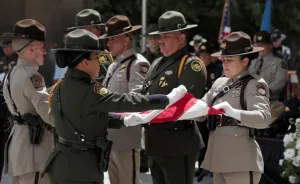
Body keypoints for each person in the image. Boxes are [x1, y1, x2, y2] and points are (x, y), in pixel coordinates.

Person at [42, 29, 185, 184]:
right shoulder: (89, 91)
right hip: (83, 168)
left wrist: (121, 121)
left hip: (62, 163)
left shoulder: (58, 87)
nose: (100, 62)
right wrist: (166, 99)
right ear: (85, 62)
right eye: (97, 57)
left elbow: (84, 117)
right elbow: (124, 101)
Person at [141, 11, 207, 184]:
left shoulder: (190, 64)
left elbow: (186, 103)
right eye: (159, 36)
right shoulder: (156, 63)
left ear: (182, 37)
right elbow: (143, 95)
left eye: (166, 36)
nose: (160, 40)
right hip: (155, 143)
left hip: (178, 144)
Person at [199, 31, 272, 184]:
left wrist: (235, 113)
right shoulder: (220, 83)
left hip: (241, 161)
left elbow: (264, 118)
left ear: (245, 61)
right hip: (219, 159)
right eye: (223, 59)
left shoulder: (254, 84)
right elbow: (200, 108)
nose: (224, 63)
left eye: (229, 60)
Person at [1, 19, 56, 184]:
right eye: (42, 47)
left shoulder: (11, 75)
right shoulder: (32, 76)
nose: (45, 52)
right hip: (35, 152)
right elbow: (50, 116)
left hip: (19, 149)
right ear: (31, 49)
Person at [99, 15, 151, 184]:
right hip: (111, 136)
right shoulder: (113, 66)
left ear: (126, 40)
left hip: (127, 137)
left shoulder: (137, 64)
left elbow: (137, 99)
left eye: (112, 39)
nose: (108, 44)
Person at [195, 41, 223, 181]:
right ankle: (201, 166)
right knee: (201, 140)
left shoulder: (217, 70)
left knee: (213, 139)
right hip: (199, 109)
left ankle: (213, 167)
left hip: (212, 109)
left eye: (206, 55)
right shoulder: (196, 70)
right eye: (201, 55)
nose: (203, 57)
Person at [249, 31, 288, 121]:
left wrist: (262, 91)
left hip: (269, 102)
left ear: (270, 45)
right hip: (249, 101)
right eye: (257, 44)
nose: (259, 47)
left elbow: (279, 82)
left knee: (278, 108)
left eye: (263, 44)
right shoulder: (252, 62)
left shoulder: (279, 63)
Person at [67, 9, 113, 83]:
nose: (99, 31)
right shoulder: (76, 55)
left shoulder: (104, 53)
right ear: (86, 29)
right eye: (97, 27)